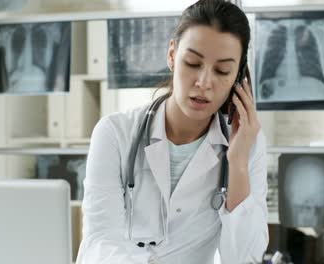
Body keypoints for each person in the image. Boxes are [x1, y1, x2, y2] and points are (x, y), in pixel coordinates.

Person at [76, 0, 268, 263]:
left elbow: (244, 258)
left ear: (238, 78)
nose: (204, 83)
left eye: (222, 71)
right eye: (192, 63)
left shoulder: (247, 145)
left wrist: (238, 165)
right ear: (171, 55)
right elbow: (100, 244)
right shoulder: (114, 134)